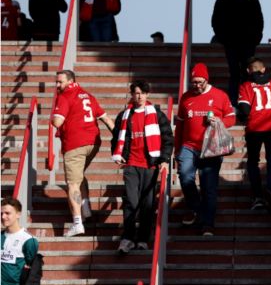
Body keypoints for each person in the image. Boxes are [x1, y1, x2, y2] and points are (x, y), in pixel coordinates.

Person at [111, 81, 173, 254]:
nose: (139, 97)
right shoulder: (124, 115)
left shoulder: (158, 115)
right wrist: (117, 153)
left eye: (142, 93)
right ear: (131, 94)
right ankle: (128, 238)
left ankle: (144, 238)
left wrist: (164, 159)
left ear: (147, 94)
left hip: (149, 165)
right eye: (136, 93)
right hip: (131, 163)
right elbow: (116, 136)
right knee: (131, 201)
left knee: (147, 204)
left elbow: (168, 138)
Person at [52, 70, 114, 237]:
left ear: (71, 81)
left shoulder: (65, 96)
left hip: (75, 143)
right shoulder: (88, 95)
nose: (58, 85)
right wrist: (121, 139)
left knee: (72, 184)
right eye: (57, 82)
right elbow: (107, 120)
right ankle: (85, 207)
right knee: (79, 175)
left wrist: (53, 117)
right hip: (93, 143)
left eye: (60, 82)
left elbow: (57, 121)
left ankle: (77, 222)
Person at [175, 62, 235, 235]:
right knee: (185, 176)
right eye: (193, 82)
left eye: (200, 82)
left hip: (211, 148)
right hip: (189, 146)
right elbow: (179, 125)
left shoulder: (219, 95)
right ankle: (196, 208)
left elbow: (231, 118)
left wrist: (219, 120)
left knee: (209, 187)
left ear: (206, 80)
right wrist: (177, 148)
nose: (197, 86)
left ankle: (208, 223)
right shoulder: (186, 98)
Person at [237, 57, 271, 214]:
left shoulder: (246, 85)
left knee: (253, 161)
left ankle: (258, 196)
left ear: (249, 71)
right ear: (264, 69)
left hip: (255, 128)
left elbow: (245, 110)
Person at [211, 0, 264, 106]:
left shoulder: (222, 1)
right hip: (248, 42)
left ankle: (233, 102)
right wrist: (256, 39)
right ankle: (248, 101)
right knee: (248, 72)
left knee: (234, 73)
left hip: (230, 43)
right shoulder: (252, 0)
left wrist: (222, 38)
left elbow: (215, 22)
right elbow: (259, 21)